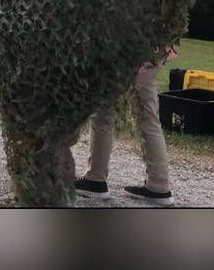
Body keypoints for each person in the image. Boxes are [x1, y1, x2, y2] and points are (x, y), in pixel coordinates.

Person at [75, 47, 177, 206]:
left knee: (103, 111)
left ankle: (95, 178)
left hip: (127, 48)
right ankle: (159, 185)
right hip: (155, 50)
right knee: (148, 116)